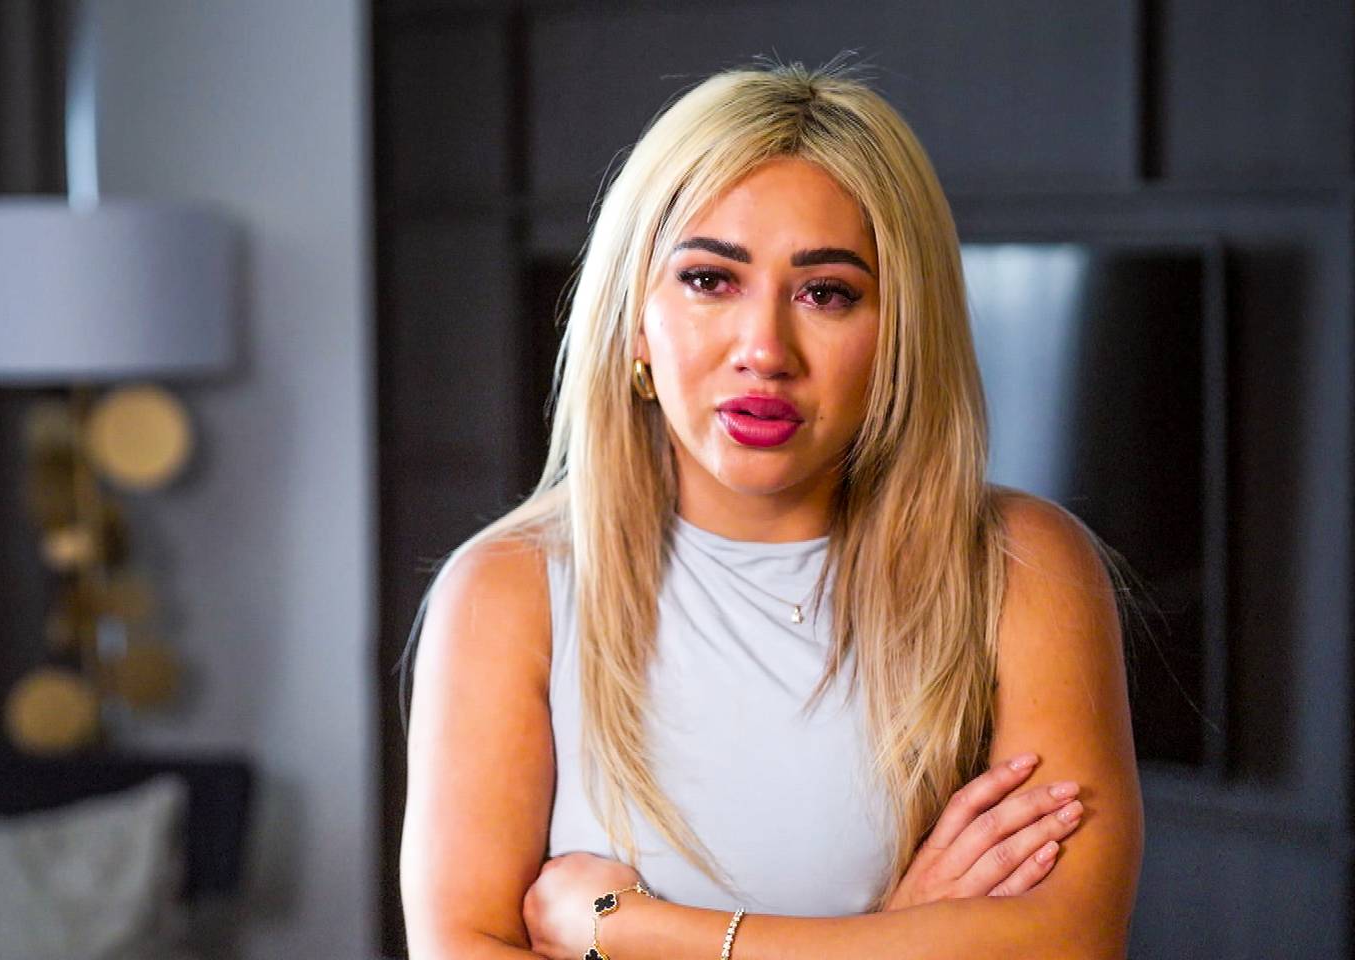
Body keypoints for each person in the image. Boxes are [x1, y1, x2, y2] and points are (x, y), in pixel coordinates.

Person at [399, 61, 1143, 960]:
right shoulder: (509, 592)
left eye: (826, 293)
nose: (764, 349)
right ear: (635, 319)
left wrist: (634, 930)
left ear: (900, 332)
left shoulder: (1021, 565)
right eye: (710, 280)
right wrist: (899, 939)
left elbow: (1070, 943)